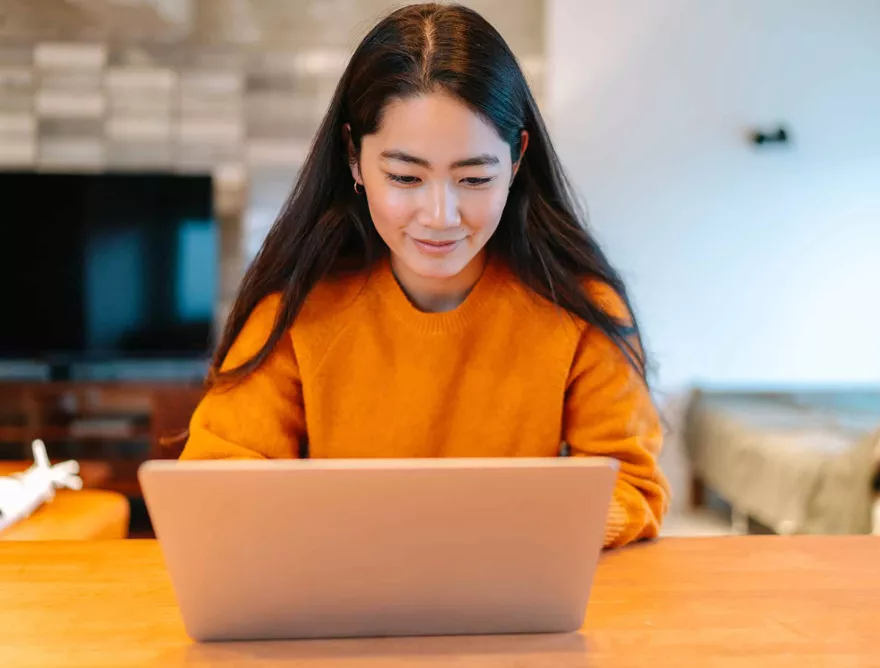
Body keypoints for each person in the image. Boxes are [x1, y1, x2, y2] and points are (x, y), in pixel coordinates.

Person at [179, 2, 670, 549]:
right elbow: (215, 480)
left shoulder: (578, 308)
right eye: (406, 177)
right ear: (354, 159)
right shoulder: (298, 307)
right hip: (342, 608)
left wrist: (503, 531)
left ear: (515, 161)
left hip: (508, 604)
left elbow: (631, 485)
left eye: (475, 178)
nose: (441, 216)